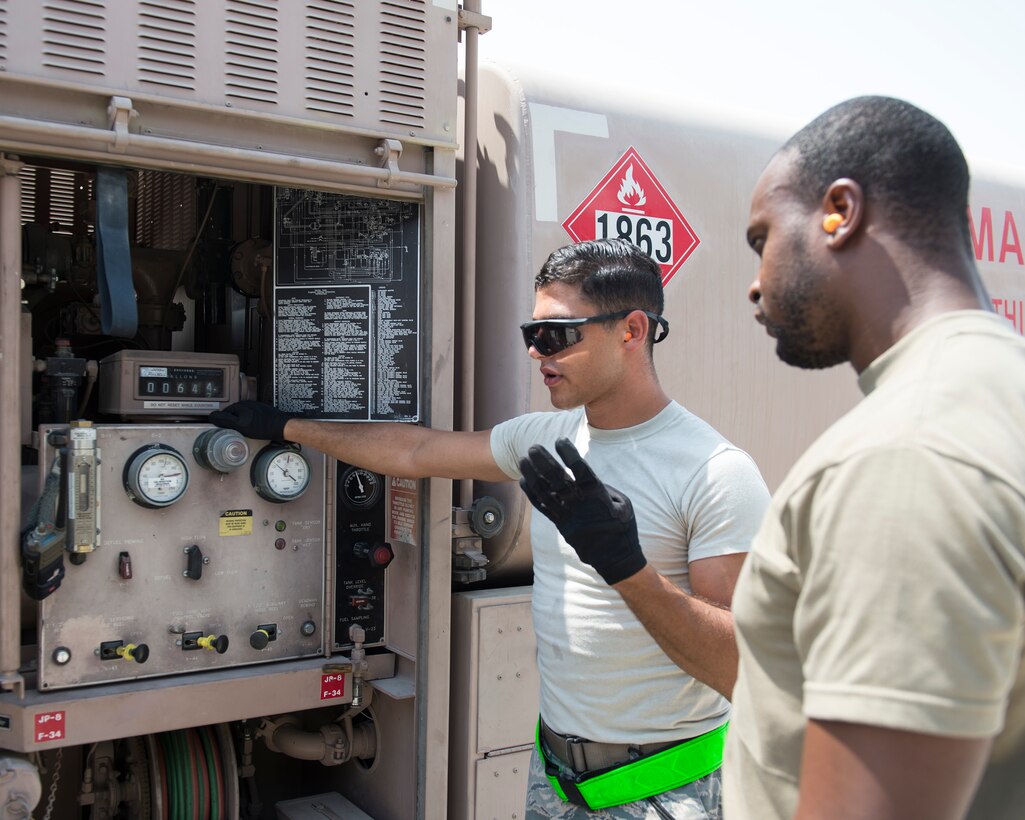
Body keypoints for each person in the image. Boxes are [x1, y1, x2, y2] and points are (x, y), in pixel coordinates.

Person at [210, 238, 769, 819]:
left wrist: (627, 568)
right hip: (556, 782)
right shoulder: (547, 441)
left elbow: (738, 670)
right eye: (532, 334)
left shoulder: (714, 472)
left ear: (631, 330)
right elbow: (418, 451)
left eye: (557, 335)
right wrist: (289, 426)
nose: (537, 352)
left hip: (665, 793)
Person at [719, 96, 1025, 819]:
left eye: (762, 237)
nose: (755, 284)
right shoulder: (994, 394)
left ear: (838, 211)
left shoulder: (902, 456)